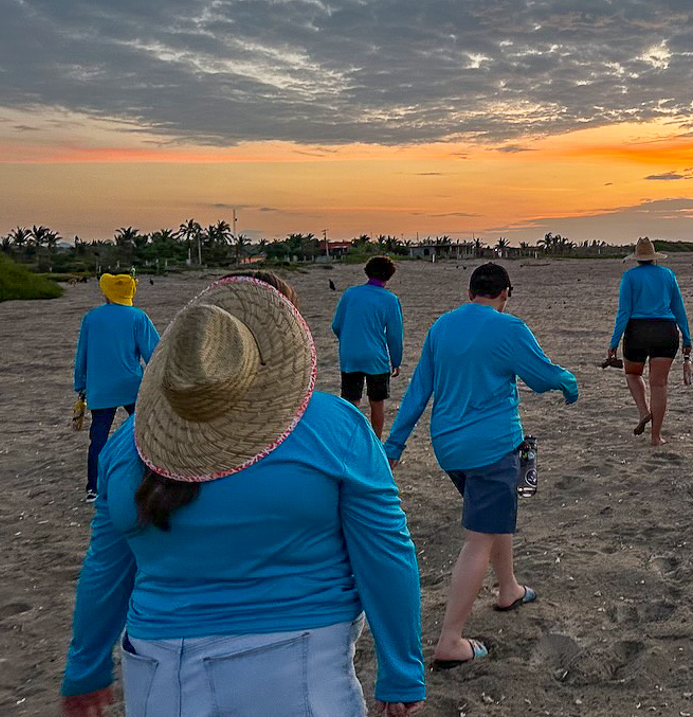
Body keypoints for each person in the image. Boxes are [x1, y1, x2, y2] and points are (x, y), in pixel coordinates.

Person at [60, 272, 426, 717]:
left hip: (156, 673)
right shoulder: (335, 428)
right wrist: (401, 668)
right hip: (299, 665)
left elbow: (106, 566)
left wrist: (87, 667)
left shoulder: (125, 447)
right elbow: (386, 553)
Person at [384, 262, 577, 669]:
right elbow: (540, 377)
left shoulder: (441, 327)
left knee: (495, 520)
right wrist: (566, 380)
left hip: (450, 449)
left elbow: (420, 389)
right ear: (505, 292)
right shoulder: (508, 328)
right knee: (480, 535)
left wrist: (395, 443)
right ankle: (450, 640)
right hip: (494, 448)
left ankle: (508, 588)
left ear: (471, 291)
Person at [73, 273, 159, 503]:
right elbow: (154, 354)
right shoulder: (138, 317)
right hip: (131, 385)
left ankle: (94, 487)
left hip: (99, 387)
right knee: (143, 433)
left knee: (99, 437)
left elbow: (83, 353)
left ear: (107, 293)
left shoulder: (91, 318)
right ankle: (151, 478)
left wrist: (80, 384)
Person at [606, 237, 692, 447]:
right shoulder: (668, 275)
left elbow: (624, 312)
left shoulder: (630, 277)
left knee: (633, 374)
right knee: (659, 384)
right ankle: (656, 437)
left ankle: (644, 411)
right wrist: (687, 338)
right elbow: (679, 309)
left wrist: (614, 342)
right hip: (665, 331)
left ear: (637, 258)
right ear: (654, 258)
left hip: (638, 331)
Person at [332, 256, 405, 438]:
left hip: (350, 355)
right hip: (376, 357)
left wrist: (349, 341)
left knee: (351, 401)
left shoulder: (350, 293)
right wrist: (396, 360)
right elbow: (395, 335)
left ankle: (348, 439)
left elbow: (336, 325)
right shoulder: (390, 300)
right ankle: (375, 444)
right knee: (377, 402)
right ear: (388, 277)